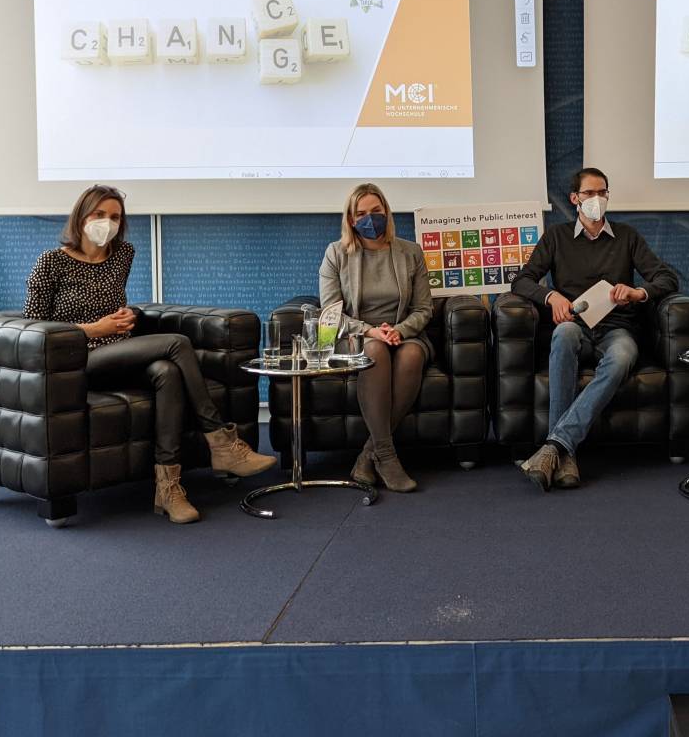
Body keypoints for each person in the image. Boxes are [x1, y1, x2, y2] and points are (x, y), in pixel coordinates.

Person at [22, 184, 275, 525]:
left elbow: (115, 308)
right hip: (75, 362)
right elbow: (32, 328)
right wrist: (95, 329)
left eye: (115, 217)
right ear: (81, 216)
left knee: (166, 373)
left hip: (117, 353)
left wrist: (131, 317)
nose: (107, 223)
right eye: (99, 215)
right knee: (176, 343)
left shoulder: (122, 255)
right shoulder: (51, 261)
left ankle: (168, 488)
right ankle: (222, 442)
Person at [512, 167, 679, 491]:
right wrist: (551, 296)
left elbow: (667, 278)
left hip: (617, 329)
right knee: (562, 335)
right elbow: (522, 280)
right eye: (590, 193)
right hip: (574, 325)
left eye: (603, 192)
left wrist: (637, 293)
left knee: (622, 357)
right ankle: (564, 450)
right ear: (575, 199)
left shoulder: (627, 236)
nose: (597, 199)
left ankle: (556, 448)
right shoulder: (557, 237)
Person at [319, 183, 432, 493]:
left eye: (376, 212)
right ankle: (386, 454)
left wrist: (401, 329)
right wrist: (370, 330)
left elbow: (424, 309)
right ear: (351, 220)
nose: (371, 219)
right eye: (362, 214)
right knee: (376, 350)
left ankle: (370, 454)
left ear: (387, 213)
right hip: (359, 336)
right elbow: (331, 316)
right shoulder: (336, 254)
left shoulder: (410, 251)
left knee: (411, 354)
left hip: (403, 333)